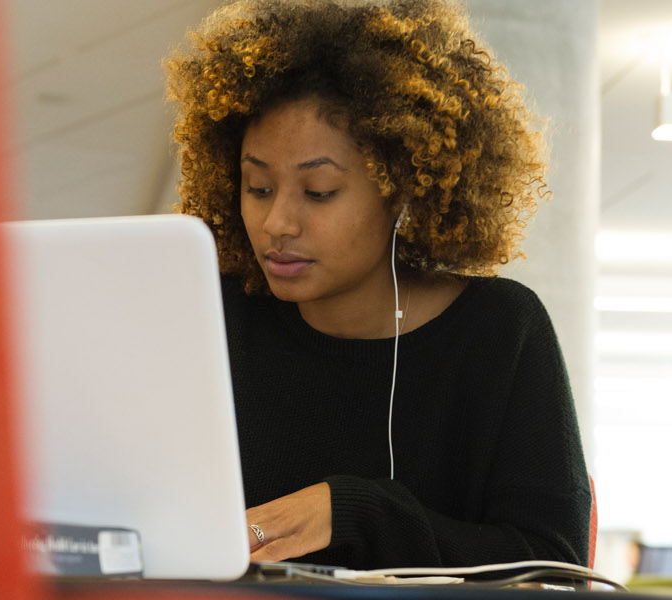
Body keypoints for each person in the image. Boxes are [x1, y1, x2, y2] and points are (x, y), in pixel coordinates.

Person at [164, 0, 590, 570]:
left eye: (318, 191)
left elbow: (552, 567)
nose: (277, 223)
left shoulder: (500, 333)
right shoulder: (212, 318)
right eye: (258, 187)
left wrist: (358, 512)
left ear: (405, 189)